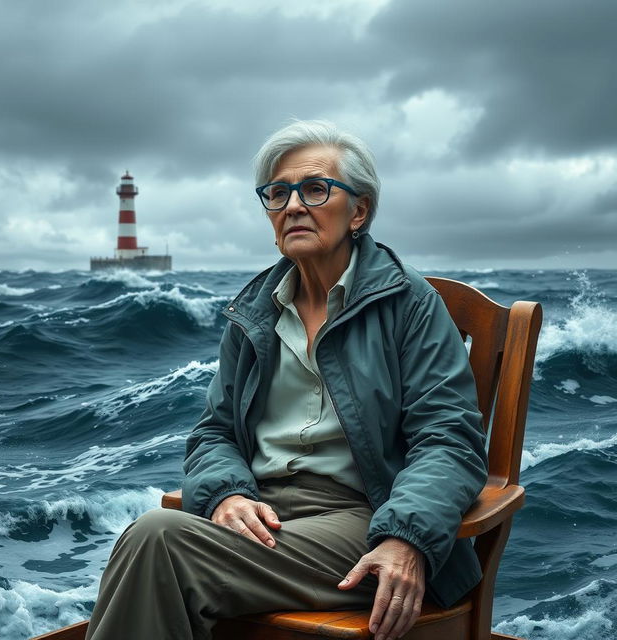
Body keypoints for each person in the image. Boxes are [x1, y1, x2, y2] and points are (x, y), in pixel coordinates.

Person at [85, 120, 488, 640]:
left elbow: (450, 440)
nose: (293, 206)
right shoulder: (254, 310)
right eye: (277, 194)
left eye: (315, 189)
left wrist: (405, 538)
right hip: (263, 516)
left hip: (363, 521)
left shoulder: (408, 304)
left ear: (359, 210)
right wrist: (226, 495)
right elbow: (215, 433)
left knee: (156, 539)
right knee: (154, 539)